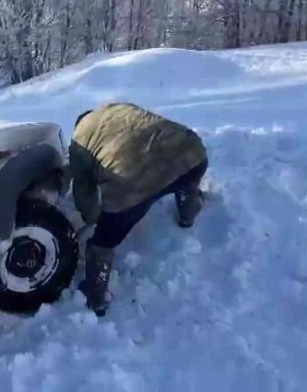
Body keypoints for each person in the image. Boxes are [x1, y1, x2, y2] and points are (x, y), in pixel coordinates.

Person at [69, 102, 208, 316]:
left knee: (102, 243)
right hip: (192, 152)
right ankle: (188, 212)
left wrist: (95, 218)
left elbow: (83, 190)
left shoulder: (79, 140)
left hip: (131, 184)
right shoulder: (117, 107)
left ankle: (96, 296)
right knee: (183, 175)